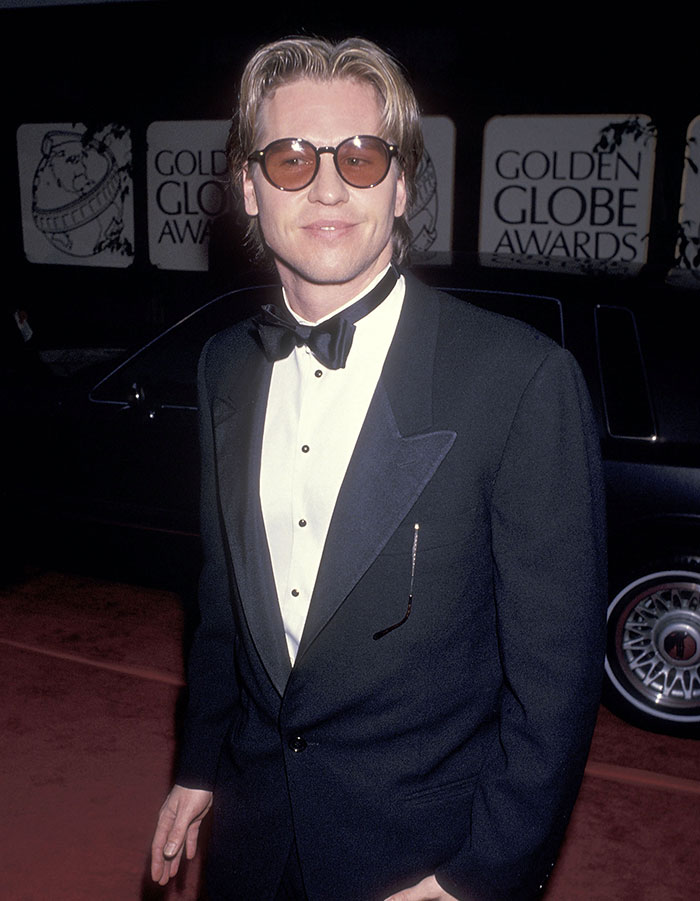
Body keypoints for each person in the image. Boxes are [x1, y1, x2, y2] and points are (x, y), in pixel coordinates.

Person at [151, 36, 606, 901]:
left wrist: (477, 876)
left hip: (417, 859)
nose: (327, 188)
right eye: (292, 158)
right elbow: (221, 605)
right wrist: (200, 764)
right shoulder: (224, 366)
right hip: (253, 833)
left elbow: (556, 681)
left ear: (399, 186)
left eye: (359, 157)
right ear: (248, 188)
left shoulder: (519, 379)